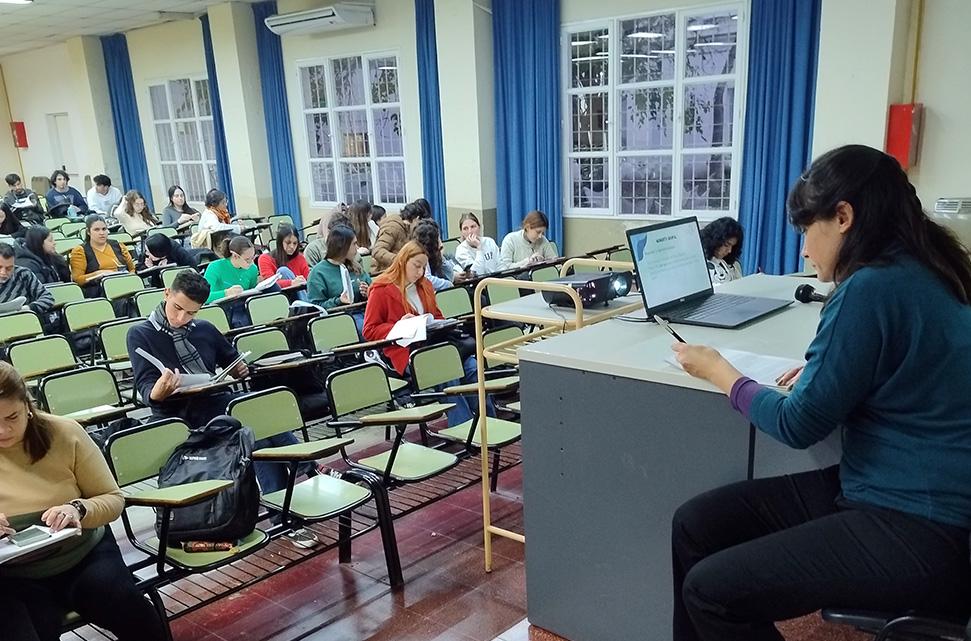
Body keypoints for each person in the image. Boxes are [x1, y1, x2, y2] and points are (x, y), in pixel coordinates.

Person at [668, 145, 971, 641]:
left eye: (808, 230)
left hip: (916, 525)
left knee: (711, 592)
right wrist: (830, 369)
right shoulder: (930, 268)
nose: (805, 250)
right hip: (898, 494)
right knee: (694, 525)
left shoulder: (871, 289)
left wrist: (722, 371)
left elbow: (798, 424)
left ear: (844, 216)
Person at [0, 361, 168, 641]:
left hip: (83, 555)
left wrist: (78, 508)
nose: (2, 431)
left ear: (28, 406)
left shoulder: (65, 433)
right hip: (11, 576)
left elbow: (113, 500)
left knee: (131, 609)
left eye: (12, 417)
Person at [126, 271, 302, 494]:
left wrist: (239, 369)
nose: (181, 318)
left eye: (191, 313)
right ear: (166, 293)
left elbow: (233, 361)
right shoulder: (140, 334)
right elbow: (146, 388)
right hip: (180, 413)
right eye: (177, 308)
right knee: (250, 411)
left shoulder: (204, 329)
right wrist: (158, 391)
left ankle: (280, 504)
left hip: (216, 405)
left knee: (256, 435)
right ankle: (306, 464)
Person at [363, 241, 490, 426]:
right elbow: (369, 330)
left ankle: (487, 423)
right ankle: (465, 428)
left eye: (423, 267)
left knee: (472, 367)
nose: (420, 272)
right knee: (445, 371)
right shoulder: (381, 289)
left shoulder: (425, 285)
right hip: (406, 352)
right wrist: (399, 326)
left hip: (434, 345)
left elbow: (437, 316)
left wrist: (441, 323)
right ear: (403, 261)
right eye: (416, 266)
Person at [308, 224, 371, 333]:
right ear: (343, 246)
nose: (357, 248)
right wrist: (338, 301)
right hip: (339, 319)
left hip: (364, 312)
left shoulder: (355, 266)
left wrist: (368, 292)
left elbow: (372, 288)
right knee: (366, 329)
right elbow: (317, 308)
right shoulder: (318, 273)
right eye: (354, 244)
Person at [69, 214, 135, 297]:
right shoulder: (80, 250)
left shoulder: (118, 245)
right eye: (96, 230)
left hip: (125, 285)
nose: (102, 233)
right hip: (100, 291)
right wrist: (100, 273)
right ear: (88, 232)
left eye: (104, 229)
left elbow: (132, 269)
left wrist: (129, 278)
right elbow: (78, 279)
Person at [203, 235, 258, 327]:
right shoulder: (215, 267)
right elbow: (204, 296)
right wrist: (227, 293)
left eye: (253, 258)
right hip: (222, 309)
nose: (251, 262)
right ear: (235, 256)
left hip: (244, 306)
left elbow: (252, 290)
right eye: (247, 260)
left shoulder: (253, 269)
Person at [370, 201, 432, 275]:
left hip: (399, 272)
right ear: (417, 219)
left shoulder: (408, 229)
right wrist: (401, 260)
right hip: (385, 273)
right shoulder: (392, 227)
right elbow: (377, 251)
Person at [0, 242, 54, 315]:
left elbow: (48, 298)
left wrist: (29, 308)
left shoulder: (23, 274)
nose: (3, 272)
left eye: (9, 268)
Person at [412, 219, 459, 291]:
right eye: (438, 237)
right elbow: (426, 279)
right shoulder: (418, 254)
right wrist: (447, 284)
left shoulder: (433, 254)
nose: (440, 241)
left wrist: (440, 255)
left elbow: (450, 276)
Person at [258, 223, 309, 288]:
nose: (292, 246)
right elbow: (269, 284)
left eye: (295, 243)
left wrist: (303, 281)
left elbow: (308, 280)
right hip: (279, 296)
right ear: (280, 242)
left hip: (301, 294)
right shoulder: (265, 259)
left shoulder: (300, 258)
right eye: (288, 243)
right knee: (283, 271)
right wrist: (292, 283)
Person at [700, 217, 744, 283]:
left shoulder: (734, 265)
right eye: (726, 245)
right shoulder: (700, 261)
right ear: (716, 241)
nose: (729, 251)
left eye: (733, 246)